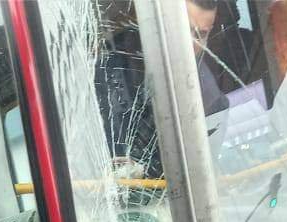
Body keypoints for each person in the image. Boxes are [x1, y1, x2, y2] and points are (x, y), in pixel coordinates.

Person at [97, 0, 230, 179]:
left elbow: (198, 180)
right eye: (183, 28)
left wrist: (142, 173)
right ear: (159, 21)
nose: (189, 43)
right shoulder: (110, 63)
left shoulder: (210, 102)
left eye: (201, 34)